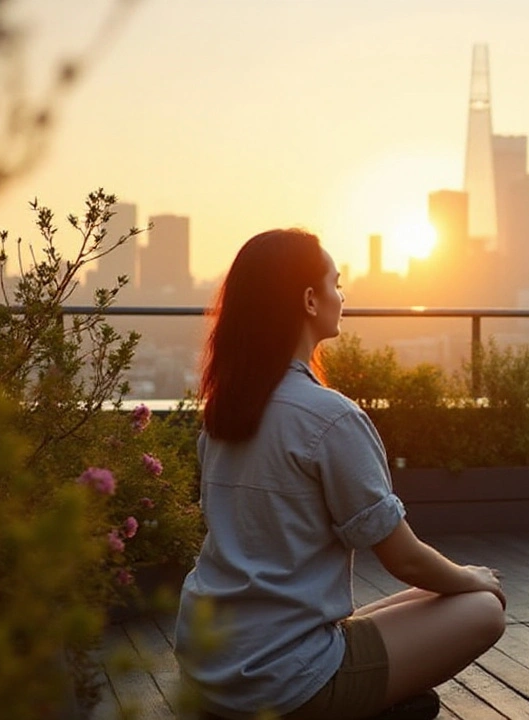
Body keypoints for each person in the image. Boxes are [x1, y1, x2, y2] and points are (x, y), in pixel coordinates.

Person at [174, 229, 506, 720]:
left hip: (211, 665)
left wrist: (459, 579)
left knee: (430, 597)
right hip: (281, 685)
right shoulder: (329, 418)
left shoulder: (226, 412)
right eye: (336, 282)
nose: (342, 295)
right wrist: (474, 580)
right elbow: (405, 558)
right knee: (482, 609)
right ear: (310, 300)